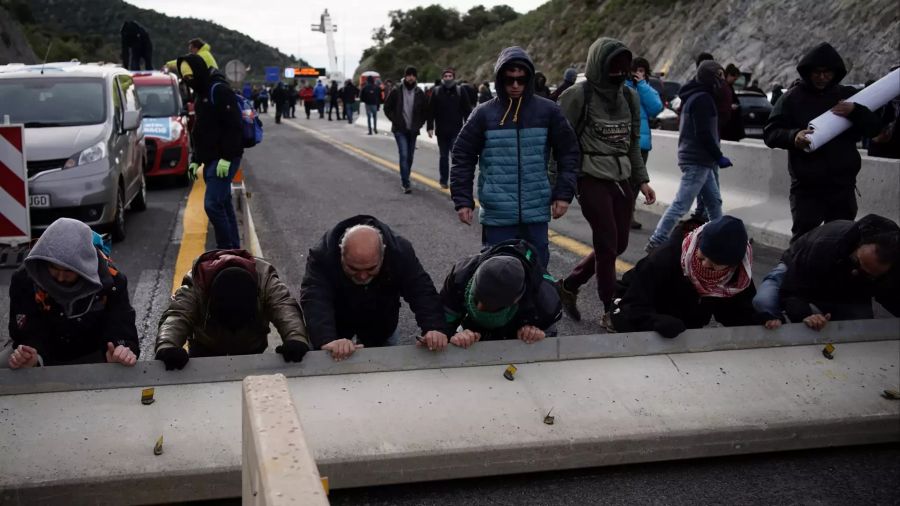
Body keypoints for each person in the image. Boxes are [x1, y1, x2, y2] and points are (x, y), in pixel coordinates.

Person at [553, 38, 657, 330]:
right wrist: (557, 187)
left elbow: (634, 143)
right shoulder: (577, 95)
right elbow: (558, 143)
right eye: (614, 66)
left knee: (619, 243)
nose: (619, 73)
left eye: (624, 67)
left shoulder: (629, 96)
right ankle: (610, 308)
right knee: (607, 242)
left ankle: (569, 284)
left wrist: (642, 180)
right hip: (590, 175)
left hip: (622, 176)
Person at [451, 47, 580, 269]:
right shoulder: (483, 114)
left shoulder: (548, 111)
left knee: (537, 273)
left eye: (521, 80)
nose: (515, 85)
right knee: (499, 276)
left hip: (536, 211)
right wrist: (462, 199)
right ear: (500, 79)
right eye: (509, 79)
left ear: (529, 79)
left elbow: (569, 151)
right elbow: (463, 155)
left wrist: (564, 194)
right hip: (497, 213)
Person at [763, 42, 882, 241]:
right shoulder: (792, 98)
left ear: (835, 73)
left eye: (827, 73)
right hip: (807, 189)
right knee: (803, 241)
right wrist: (793, 136)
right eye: (817, 73)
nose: (821, 77)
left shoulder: (848, 96)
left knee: (842, 242)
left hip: (843, 187)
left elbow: (875, 128)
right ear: (807, 72)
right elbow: (770, 132)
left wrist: (856, 111)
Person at [299, 216, 448, 361]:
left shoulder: (400, 252)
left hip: (381, 321)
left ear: (383, 253)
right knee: (328, 359)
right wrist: (325, 339)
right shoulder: (322, 256)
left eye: (371, 268)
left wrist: (434, 328)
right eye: (353, 268)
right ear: (341, 253)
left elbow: (420, 290)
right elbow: (315, 297)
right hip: (337, 319)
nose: (363, 276)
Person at [612, 216, 779, 338]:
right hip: (635, 308)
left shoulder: (736, 275)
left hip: (685, 327)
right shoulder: (664, 257)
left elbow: (732, 313)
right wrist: (654, 321)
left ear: (732, 265)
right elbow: (632, 304)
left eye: (714, 264)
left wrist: (759, 320)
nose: (705, 265)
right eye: (702, 257)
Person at [6, 218, 139, 368]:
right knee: (7, 366)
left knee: (126, 367)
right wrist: (30, 355)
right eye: (54, 268)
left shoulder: (112, 282)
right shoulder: (24, 278)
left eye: (69, 271)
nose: (61, 277)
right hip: (43, 354)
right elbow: (23, 330)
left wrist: (121, 349)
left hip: (94, 355)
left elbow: (122, 328)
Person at [154, 249, 311, 369]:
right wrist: (167, 346)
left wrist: (295, 339)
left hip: (251, 348)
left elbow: (284, 307)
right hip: (206, 349)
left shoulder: (265, 280)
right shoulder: (196, 284)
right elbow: (178, 315)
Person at [752, 214, 899, 330]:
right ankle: (781, 334)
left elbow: (890, 296)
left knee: (859, 327)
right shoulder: (825, 245)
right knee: (765, 302)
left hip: (843, 289)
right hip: (797, 269)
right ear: (858, 244)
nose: (856, 271)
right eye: (858, 262)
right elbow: (791, 290)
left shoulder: (892, 269)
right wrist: (805, 316)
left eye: (868, 273)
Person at [646, 60, 731, 254]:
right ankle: (656, 240)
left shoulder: (694, 96)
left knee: (713, 202)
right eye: (719, 76)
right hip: (698, 159)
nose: (722, 81)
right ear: (711, 78)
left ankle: (720, 239)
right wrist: (718, 156)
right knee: (681, 204)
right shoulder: (703, 100)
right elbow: (704, 133)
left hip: (698, 159)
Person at [440, 240, 562, 347]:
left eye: (490, 307)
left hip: (516, 334)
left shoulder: (546, 303)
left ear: (516, 300)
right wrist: (453, 336)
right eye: (478, 299)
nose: (479, 308)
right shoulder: (460, 275)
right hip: (471, 331)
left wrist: (539, 336)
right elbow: (440, 326)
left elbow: (551, 348)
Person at [177, 54, 243, 249]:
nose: (189, 82)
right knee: (223, 204)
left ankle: (225, 248)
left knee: (212, 204)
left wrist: (227, 157)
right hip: (212, 159)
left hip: (224, 158)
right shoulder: (201, 93)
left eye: (190, 77)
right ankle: (234, 249)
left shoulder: (219, 90)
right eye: (185, 78)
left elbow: (234, 126)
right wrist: (196, 159)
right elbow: (201, 130)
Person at [625, 56, 664, 230]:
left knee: (636, 183)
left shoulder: (645, 88)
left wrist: (641, 85)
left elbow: (656, 107)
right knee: (624, 181)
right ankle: (621, 214)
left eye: (642, 71)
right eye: (636, 70)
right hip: (625, 141)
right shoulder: (623, 87)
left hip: (642, 143)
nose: (638, 74)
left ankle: (628, 215)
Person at [384, 67, 428, 194]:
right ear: (405, 76)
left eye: (413, 75)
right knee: (403, 154)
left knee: (410, 157)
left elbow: (425, 111)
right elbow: (387, 108)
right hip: (399, 129)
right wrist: (395, 119)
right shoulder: (396, 91)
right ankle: (405, 182)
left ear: (416, 77)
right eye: (408, 75)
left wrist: (420, 124)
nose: (411, 77)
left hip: (413, 130)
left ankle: (406, 176)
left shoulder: (420, 93)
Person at [426, 67, 472, 189]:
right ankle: (443, 180)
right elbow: (430, 111)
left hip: (457, 130)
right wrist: (430, 127)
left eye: (449, 76)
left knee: (456, 157)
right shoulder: (436, 92)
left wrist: (470, 127)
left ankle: (456, 181)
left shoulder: (460, 91)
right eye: (445, 76)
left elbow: (467, 111)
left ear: (453, 77)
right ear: (442, 78)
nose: (447, 78)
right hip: (441, 131)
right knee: (443, 157)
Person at [719, 64, 744, 141]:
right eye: (734, 78)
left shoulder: (728, 87)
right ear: (729, 75)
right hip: (727, 127)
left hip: (730, 127)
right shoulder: (724, 87)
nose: (735, 80)